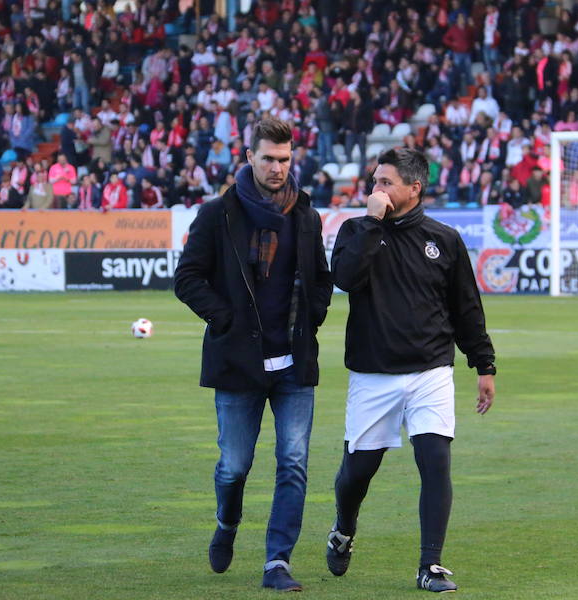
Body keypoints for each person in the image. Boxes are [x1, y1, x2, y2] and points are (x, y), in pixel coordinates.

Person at [325, 147, 496, 593]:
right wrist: (371, 222)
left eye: (386, 183)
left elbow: (466, 307)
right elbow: (343, 278)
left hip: (430, 371)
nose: (376, 189)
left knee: (435, 462)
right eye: (375, 181)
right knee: (356, 475)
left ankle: (431, 566)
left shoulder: (445, 239)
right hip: (373, 373)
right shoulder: (356, 230)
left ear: (414, 188)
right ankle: (344, 527)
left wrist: (484, 363)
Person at [173, 117, 333, 592]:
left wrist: (315, 314)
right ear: (249, 158)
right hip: (238, 363)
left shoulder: (305, 215)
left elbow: (320, 278)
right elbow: (187, 279)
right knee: (234, 466)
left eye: (285, 159)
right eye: (268, 158)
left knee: (294, 462)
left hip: (293, 363)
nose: (278, 167)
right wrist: (225, 319)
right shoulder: (217, 214)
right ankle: (227, 522)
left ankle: (277, 562)